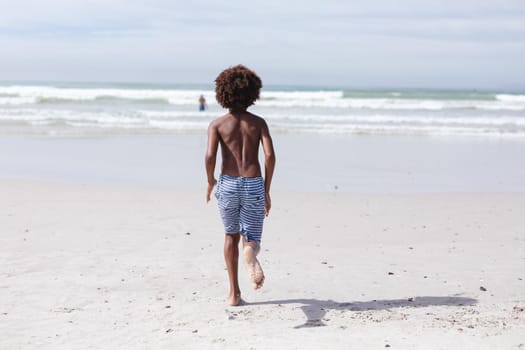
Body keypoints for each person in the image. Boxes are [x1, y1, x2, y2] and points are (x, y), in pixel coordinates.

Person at [205, 65, 276, 306]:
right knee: (251, 238)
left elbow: (209, 157)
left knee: (230, 235)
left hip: (227, 184)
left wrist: (210, 181)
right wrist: (266, 189)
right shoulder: (258, 123)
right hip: (253, 183)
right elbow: (269, 156)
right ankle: (250, 253)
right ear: (252, 93)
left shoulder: (217, 125)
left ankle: (234, 294)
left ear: (222, 94)